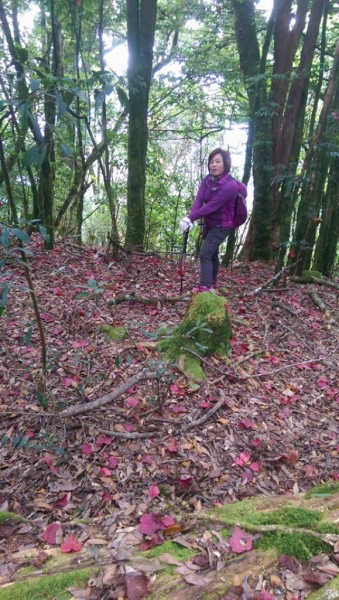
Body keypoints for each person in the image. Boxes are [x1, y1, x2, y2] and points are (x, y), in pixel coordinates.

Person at [179, 147, 246, 292]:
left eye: (218, 161)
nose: (213, 165)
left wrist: (191, 217)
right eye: (211, 162)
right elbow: (199, 200)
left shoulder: (231, 186)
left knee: (205, 253)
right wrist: (190, 219)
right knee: (212, 253)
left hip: (222, 225)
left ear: (225, 164)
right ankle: (212, 282)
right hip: (209, 224)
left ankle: (205, 287)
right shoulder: (207, 180)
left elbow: (212, 206)